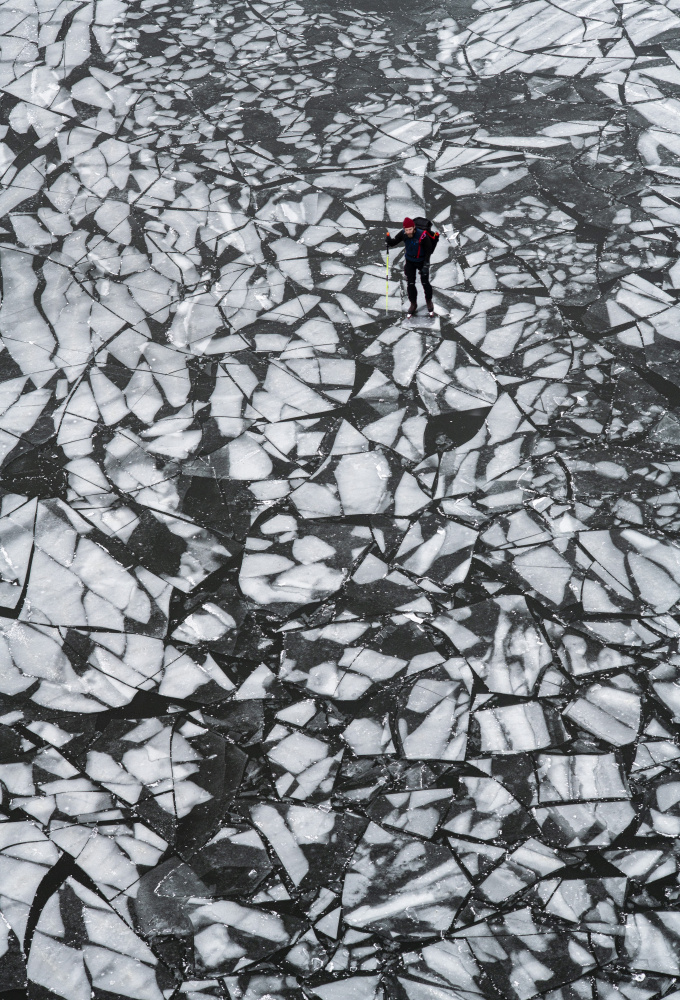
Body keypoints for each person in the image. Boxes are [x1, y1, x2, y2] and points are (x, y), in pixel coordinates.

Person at [385, 217, 436, 318]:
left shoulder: (422, 235)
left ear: (414, 227)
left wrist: (426, 265)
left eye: (410, 229)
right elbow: (394, 242)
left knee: (425, 282)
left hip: (422, 261)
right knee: (410, 284)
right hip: (410, 261)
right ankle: (413, 304)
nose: (408, 232)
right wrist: (389, 241)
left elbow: (428, 250)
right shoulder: (403, 233)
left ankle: (429, 301)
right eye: (406, 230)